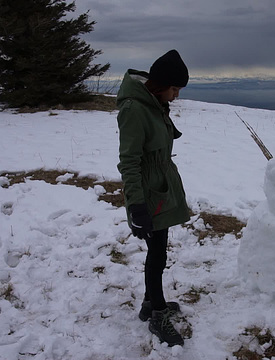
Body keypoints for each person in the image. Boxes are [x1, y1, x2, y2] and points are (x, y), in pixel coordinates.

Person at [116, 49, 191, 347]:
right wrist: (136, 205)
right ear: (160, 84)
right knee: (157, 253)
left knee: (159, 250)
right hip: (148, 193)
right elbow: (129, 161)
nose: (175, 96)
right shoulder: (135, 109)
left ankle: (150, 303)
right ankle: (157, 312)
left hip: (161, 185)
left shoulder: (154, 103)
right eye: (174, 89)